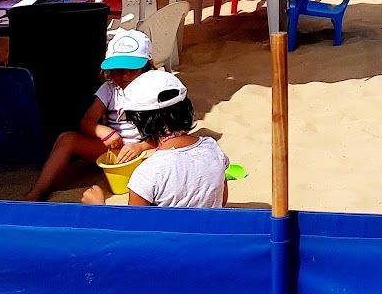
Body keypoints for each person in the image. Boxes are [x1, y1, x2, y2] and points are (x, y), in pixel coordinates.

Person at [24, 29, 155, 201]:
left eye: (131, 69)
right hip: (113, 149)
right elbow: (87, 122)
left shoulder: (154, 88)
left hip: (145, 150)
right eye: (118, 69)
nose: (124, 75)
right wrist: (102, 131)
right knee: (66, 139)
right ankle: (38, 191)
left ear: (146, 67)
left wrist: (140, 147)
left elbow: (168, 133)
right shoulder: (109, 89)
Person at [82, 70, 229, 208]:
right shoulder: (213, 149)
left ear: (140, 122)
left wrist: (98, 207)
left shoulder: (146, 174)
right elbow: (221, 201)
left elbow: (133, 230)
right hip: (209, 234)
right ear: (186, 108)